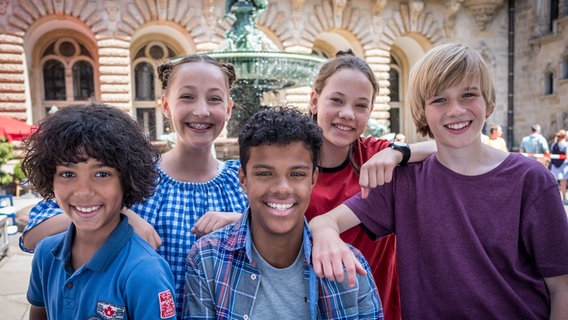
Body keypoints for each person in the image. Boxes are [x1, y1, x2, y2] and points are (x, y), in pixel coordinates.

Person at [309, 43, 568, 318]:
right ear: (422, 110)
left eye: (468, 95)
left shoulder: (531, 180)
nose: (455, 110)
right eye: (439, 99)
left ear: (488, 102)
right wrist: (326, 231)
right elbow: (325, 220)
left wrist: (398, 152)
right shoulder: (403, 182)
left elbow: (561, 285)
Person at [20, 54, 249, 315]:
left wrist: (244, 222)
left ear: (229, 108)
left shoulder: (242, 182)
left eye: (214, 99)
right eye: (187, 97)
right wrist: (120, 214)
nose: (201, 110)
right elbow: (32, 236)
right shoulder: (131, 174)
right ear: (165, 105)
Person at [182, 106, 383, 319]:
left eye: (296, 174)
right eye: (265, 173)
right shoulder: (209, 259)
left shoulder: (350, 268)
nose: (281, 188)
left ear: (313, 179)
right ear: (243, 179)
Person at [306, 49, 436, 320]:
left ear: (370, 112)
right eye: (337, 100)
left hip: (379, 307)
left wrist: (400, 151)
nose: (347, 114)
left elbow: (447, 147)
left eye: (360, 105)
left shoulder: (377, 154)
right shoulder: (292, 162)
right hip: (312, 306)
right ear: (315, 101)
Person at [23, 104, 176, 319]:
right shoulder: (46, 253)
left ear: (127, 179)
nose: (83, 192)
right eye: (68, 174)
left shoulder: (145, 271)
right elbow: (39, 313)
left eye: (102, 174)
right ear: (50, 179)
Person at [550, 129, 568, 202]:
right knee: (563, 182)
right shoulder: (566, 144)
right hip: (564, 165)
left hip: (555, 165)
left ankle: (554, 198)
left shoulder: (554, 144)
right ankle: (563, 198)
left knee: (554, 182)